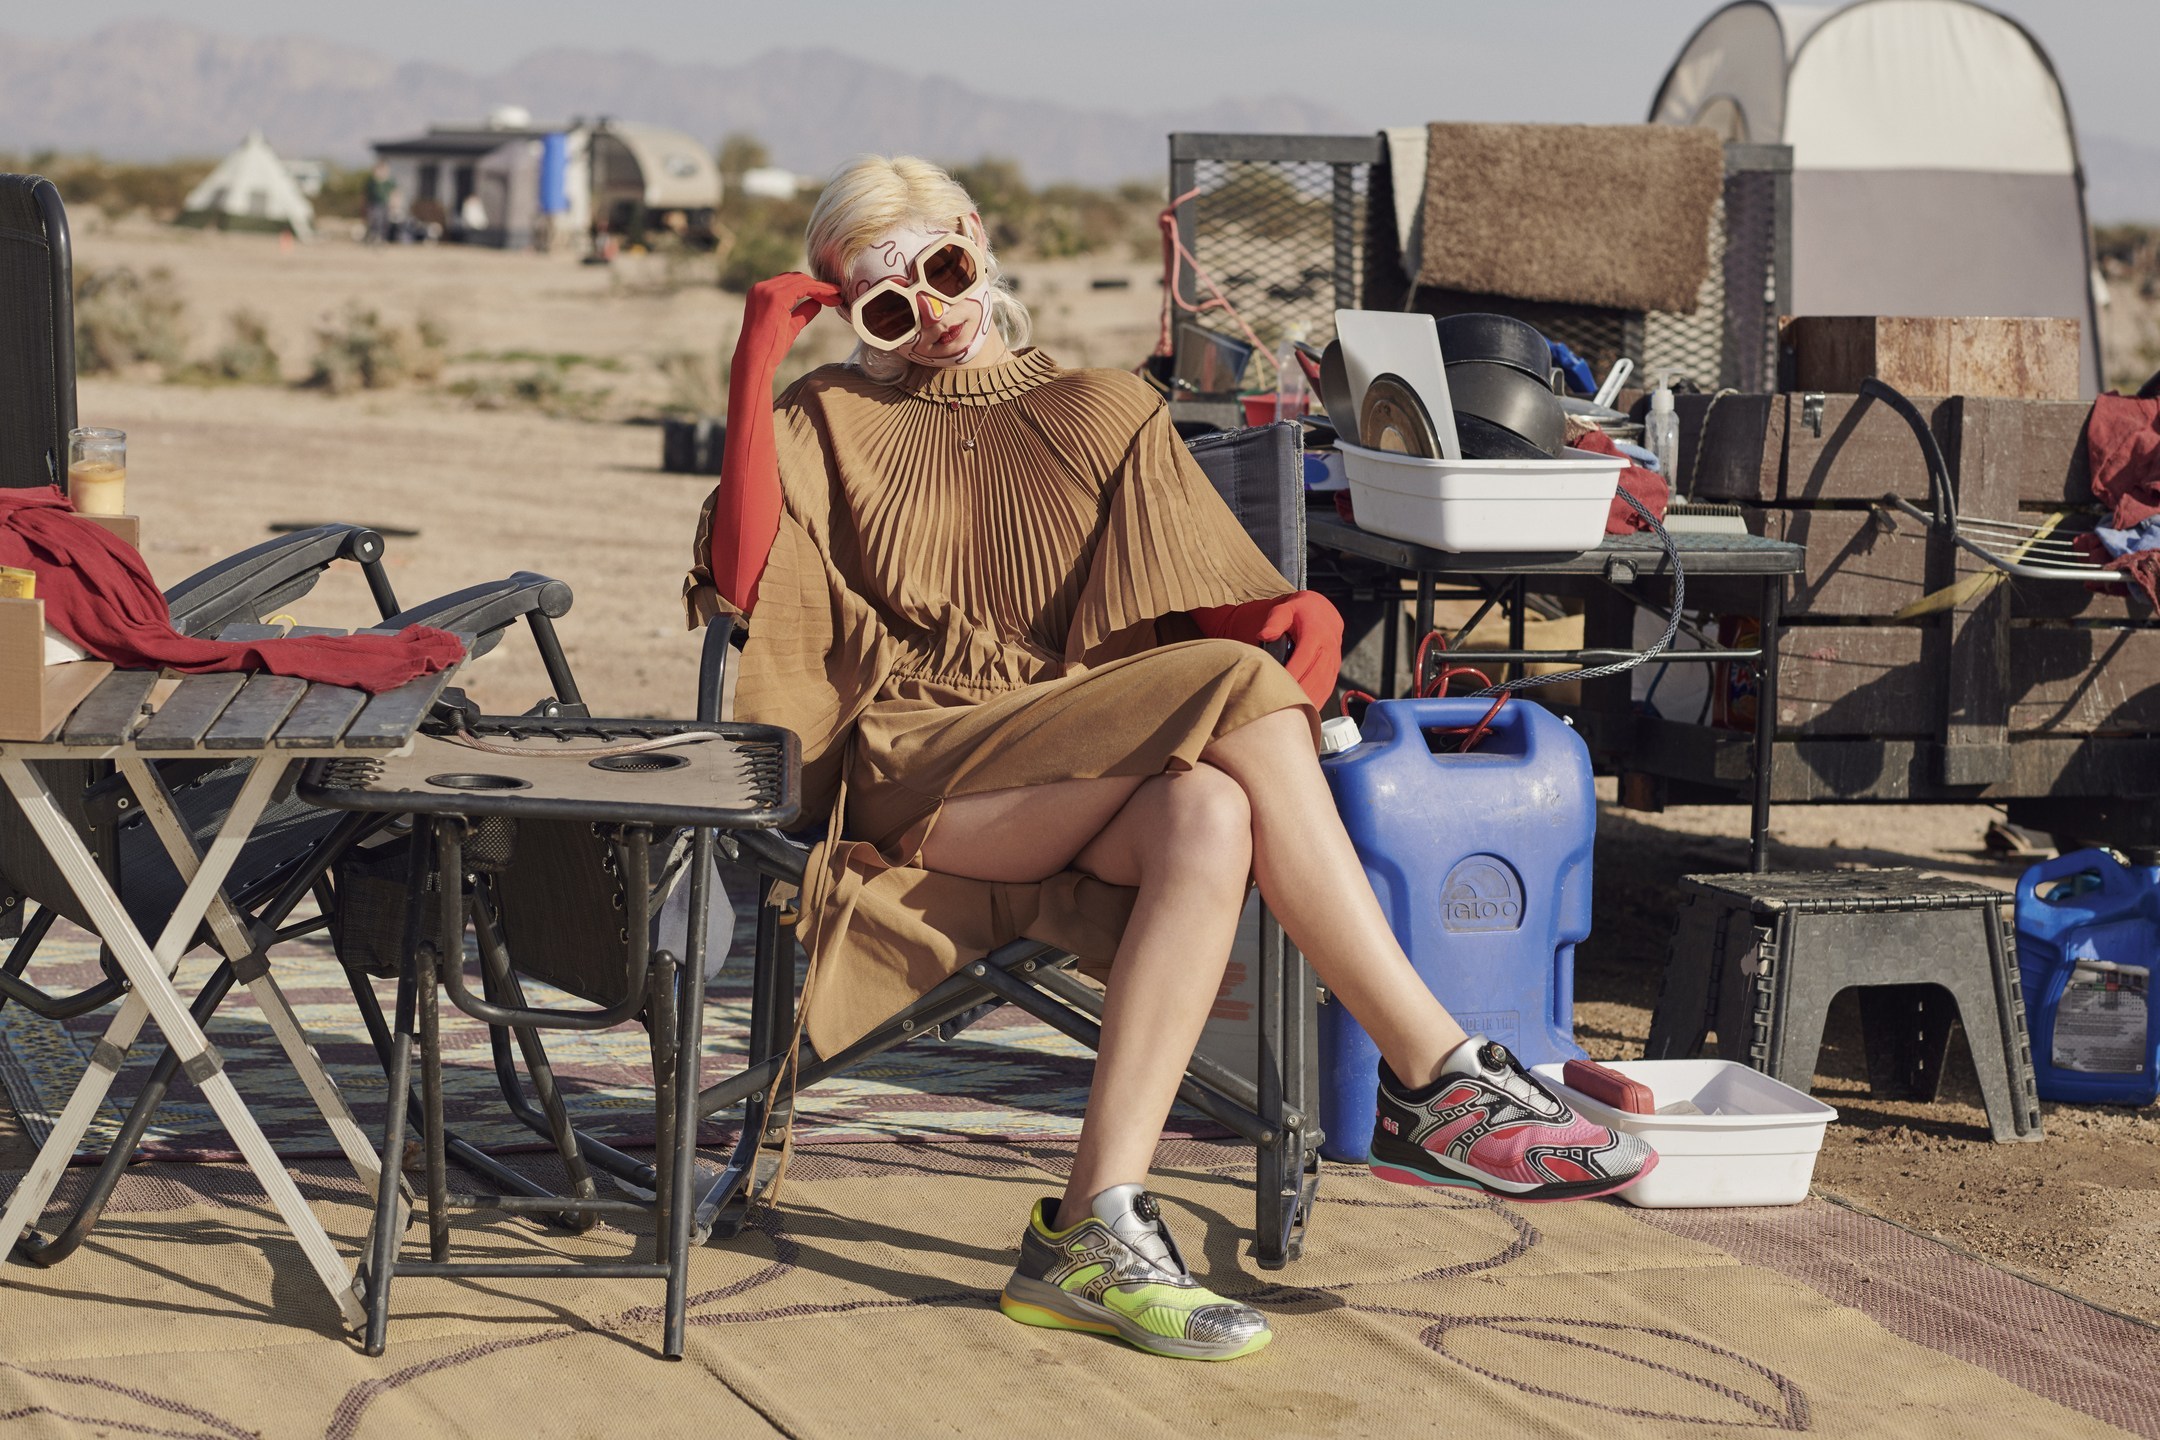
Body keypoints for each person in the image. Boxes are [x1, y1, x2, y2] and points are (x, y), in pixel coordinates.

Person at [684, 155, 1654, 1363]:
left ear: (976, 236)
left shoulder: (1107, 407)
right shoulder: (824, 417)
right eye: (887, 304)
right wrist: (756, 363)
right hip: (915, 770)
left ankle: (1091, 1228)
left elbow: (1202, 593)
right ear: (851, 313)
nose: (928, 315)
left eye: (942, 268)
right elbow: (743, 585)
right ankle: (1432, 1069)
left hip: (1074, 761)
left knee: (1210, 818)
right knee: (1236, 692)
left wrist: (1294, 615)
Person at [363, 161, 394, 244]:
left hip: (385, 205)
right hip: (374, 205)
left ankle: (382, 239)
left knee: (384, 222)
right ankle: (372, 237)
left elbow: (394, 193)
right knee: (375, 221)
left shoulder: (389, 182)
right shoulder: (371, 182)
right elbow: (365, 194)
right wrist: (364, 206)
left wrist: (393, 204)